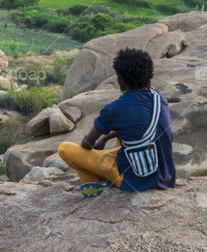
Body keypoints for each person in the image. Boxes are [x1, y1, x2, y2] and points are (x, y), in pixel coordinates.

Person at [58, 48, 176, 198]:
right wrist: (106, 138)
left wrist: (98, 141)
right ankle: (106, 172)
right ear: (149, 75)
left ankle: (96, 180)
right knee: (127, 133)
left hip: (137, 180)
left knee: (65, 148)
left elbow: (87, 144)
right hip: (165, 174)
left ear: (122, 79)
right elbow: (142, 130)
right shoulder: (159, 98)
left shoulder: (115, 109)